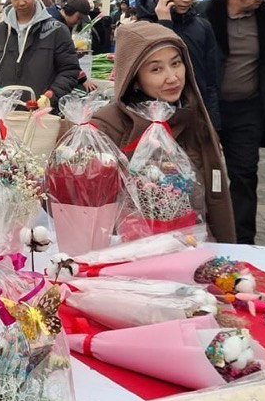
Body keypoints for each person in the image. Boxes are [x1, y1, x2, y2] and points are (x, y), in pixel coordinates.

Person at [92, 21, 236, 242]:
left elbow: (215, 199)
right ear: (134, 78)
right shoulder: (107, 125)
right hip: (124, 252)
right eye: (156, 69)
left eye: (176, 63)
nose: (172, 77)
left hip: (191, 248)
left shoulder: (195, 120)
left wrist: (225, 246)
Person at [202, 0, 265, 245]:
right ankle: (204, 232)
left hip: (248, 109)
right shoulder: (207, 17)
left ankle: (243, 239)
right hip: (211, 109)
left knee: (245, 174)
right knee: (206, 174)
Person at [135, 0, 222, 130]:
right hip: (155, 116)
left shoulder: (202, 27)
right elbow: (156, 60)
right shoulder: (145, 24)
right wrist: (165, 24)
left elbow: (211, 79)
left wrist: (213, 124)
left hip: (194, 116)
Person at [0, 0, 81, 102]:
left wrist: (51, 96)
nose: (21, 2)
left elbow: (69, 70)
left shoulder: (56, 30)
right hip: (6, 114)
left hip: (44, 114)